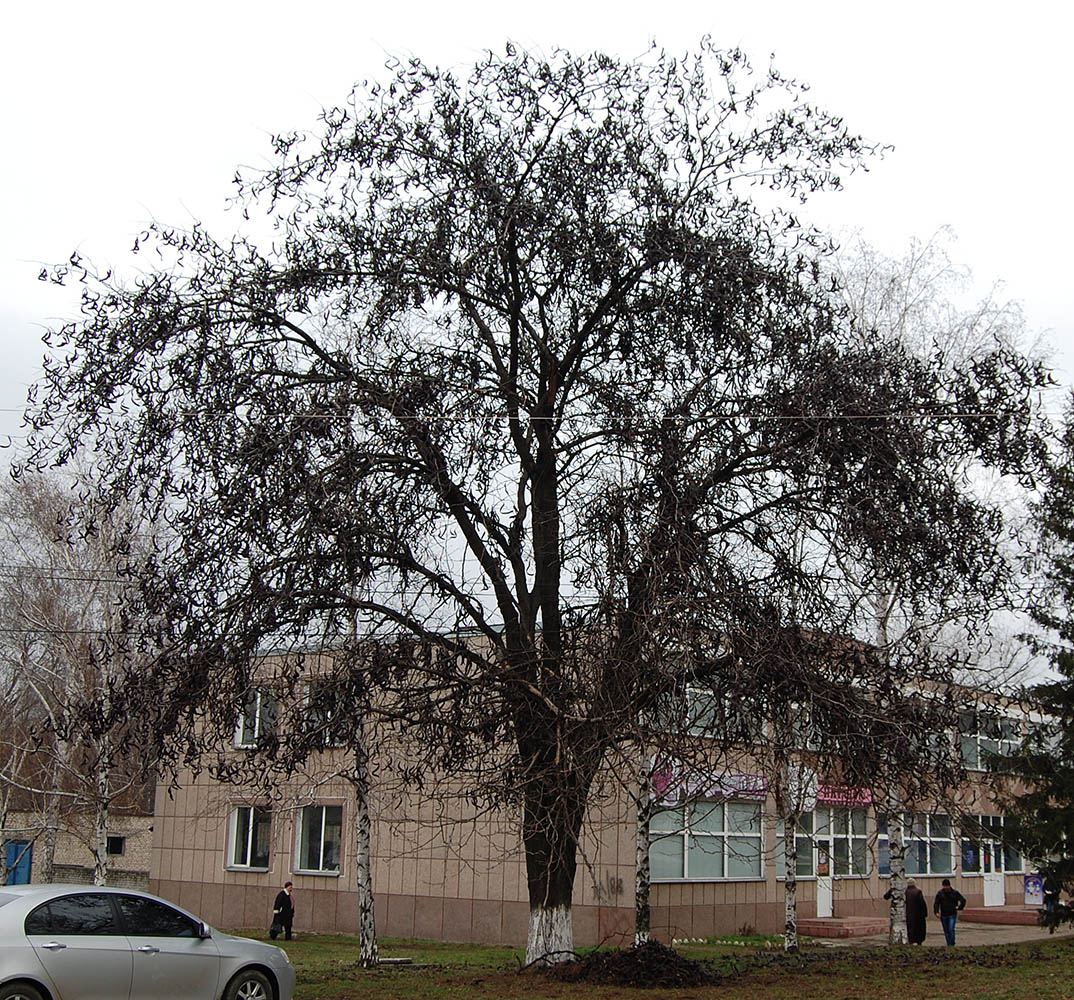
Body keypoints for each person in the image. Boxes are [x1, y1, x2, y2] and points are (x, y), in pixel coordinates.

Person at [883, 877, 928, 944]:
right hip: (916, 916)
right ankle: (917, 942)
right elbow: (922, 904)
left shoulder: (901, 891)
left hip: (900, 914)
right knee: (916, 930)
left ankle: (902, 941)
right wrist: (925, 914)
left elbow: (886, 896)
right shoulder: (917, 892)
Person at [933, 877, 966, 946]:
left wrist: (959, 907)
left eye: (946, 886)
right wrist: (936, 912)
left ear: (949, 885)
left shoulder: (955, 893)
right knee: (946, 930)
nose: (945, 888)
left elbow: (963, 900)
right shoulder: (940, 893)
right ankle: (949, 943)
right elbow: (936, 903)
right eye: (944, 886)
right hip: (944, 914)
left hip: (952, 914)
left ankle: (952, 943)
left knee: (951, 929)